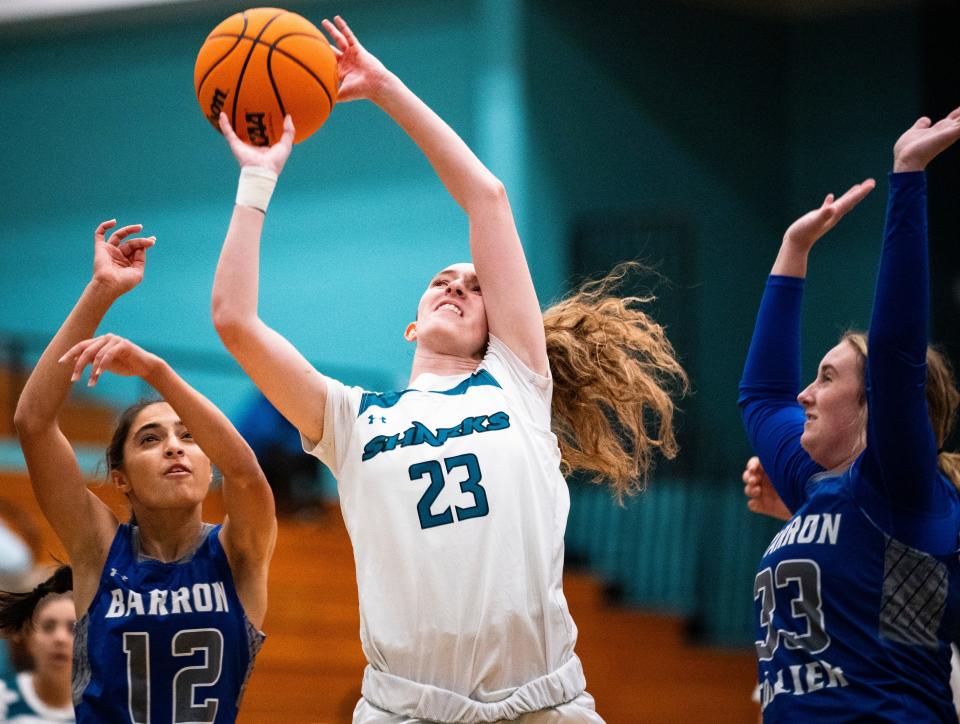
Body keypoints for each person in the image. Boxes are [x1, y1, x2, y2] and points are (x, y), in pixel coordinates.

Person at [212, 15, 686, 723]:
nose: (459, 285)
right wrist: (255, 182)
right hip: (408, 711)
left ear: (503, 327)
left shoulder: (518, 381)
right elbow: (233, 321)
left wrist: (385, 88)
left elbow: (486, 197)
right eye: (442, 279)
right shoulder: (352, 417)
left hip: (545, 704)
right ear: (412, 322)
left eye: (475, 285)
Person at [4, 219, 277, 723]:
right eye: (150, 439)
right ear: (121, 476)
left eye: (188, 436)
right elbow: (33, 422)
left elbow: (246, 474)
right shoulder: (99, 550)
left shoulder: (239, 551)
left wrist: (157, 371)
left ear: (207, 462)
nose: (175, 447)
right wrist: (101, 291)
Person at [738, 108, 960, 720]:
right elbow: (761, 395)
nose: (804, 394)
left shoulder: (898, 487)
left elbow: (893, 351)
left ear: (875, 403)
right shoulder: (816, 485)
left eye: (827, 377)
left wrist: (908, 173)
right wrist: (794, 247)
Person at [0, 587, 75, 722]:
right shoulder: (3, 699)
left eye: (73, 628)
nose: (60, 638)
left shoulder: (101, 708)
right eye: (48, 627)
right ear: (28, 638)